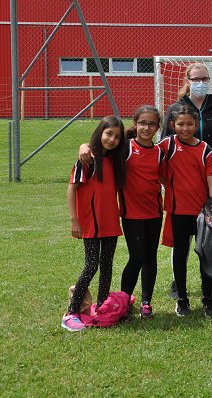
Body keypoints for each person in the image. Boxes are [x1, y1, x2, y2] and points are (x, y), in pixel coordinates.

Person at [78, 106, 165, 319]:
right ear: (135, 124)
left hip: (154, 213)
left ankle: (146, 303)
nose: (146, 128)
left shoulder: (160, 151)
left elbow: (165, 177)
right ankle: (124, 303)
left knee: (150, 258)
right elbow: (100, 146)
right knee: (137, 257)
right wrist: (84, 146)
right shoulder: (125, 147)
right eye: (142, 123)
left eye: (151, 124)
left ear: (157, 128)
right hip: (131, 214)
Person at [163, 62, 212, 299]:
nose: (201, 83)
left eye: (204, 79)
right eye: (196, 79)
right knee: (182, 240)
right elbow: (162, 148)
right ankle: (178, 282)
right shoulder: (175, 109)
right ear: (187, 81)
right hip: (183, 187)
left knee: (211, 235)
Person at [63, 115, 127, 331]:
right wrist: (74, 220)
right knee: (91, 267)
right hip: (91, 224)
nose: (112, 139)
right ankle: (71, 311)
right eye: (109, 134)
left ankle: (100, 307)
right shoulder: (87, 160)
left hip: (110, 223)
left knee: (107, 266)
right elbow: (71, 189)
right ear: (100, 133)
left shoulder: (116, 161)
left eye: (117, 137)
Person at [160, 103, 212, 317]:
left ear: (196, 125)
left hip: (202, 213)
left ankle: (208, 297)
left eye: (189, 124)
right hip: (178, 211)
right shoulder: (167, 145)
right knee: (180, 253)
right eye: (180, 124)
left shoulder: (205, 149)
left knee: (205, 254)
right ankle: (182, 298)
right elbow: (152, 161)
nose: (185, 128)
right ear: (172, 125)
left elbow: (211, 179)